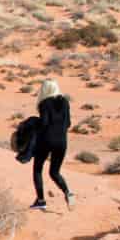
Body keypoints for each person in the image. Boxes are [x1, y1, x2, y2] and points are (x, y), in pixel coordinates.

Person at [31, 80, 73, 210]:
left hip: (47, 141)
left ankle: (41, 200)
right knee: (54, 172)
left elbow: (44, 124)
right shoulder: (65, 102)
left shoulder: (45, 103)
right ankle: (68, 193)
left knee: (38, 169)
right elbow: (68, 124)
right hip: (62, 142)